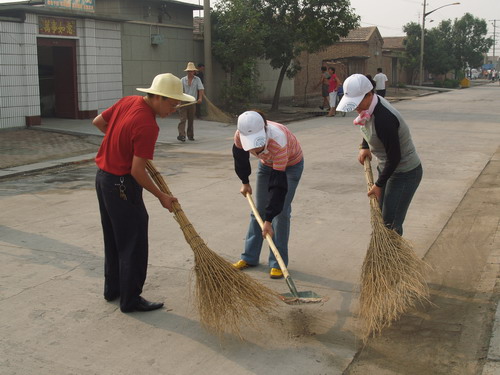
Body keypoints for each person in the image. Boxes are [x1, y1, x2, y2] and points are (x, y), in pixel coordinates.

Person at [93, 73, 195, 313]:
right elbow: (137, 171)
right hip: (122, 186)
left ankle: (113, 290)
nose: (174, 108)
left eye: (177, 104)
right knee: (133, 241)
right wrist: (162, 196)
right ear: (157, 97)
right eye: (171, 103)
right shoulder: (148, 124)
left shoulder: (128, 101)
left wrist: (119, 144)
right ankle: (130, 299)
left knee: (114, 237)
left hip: (103, 179)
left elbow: (98, 121)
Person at [337, 74, 422, 235]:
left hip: (405, 173)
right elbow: (367, 123)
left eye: (357, 102)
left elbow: (395, 157)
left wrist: (379, 184)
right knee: (383, 216)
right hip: (387, 168)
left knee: (390, 222)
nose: (355, 108)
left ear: (369, 95)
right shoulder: (370, 106)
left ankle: (394, 258)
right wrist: (364, 145)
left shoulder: (384, 118)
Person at [232, 110, 304, 279]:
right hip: (266, 165)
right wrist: (245, 182)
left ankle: (278, 262)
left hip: (290, 167)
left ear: (264, 130)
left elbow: (278, 187)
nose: (254, 148)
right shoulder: (239, 135)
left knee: (281, 213)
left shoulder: (278, 141)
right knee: (257, 211)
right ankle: (249, 257)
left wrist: (269, 220)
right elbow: (240, 158)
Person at [178, 62, 204, 142]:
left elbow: (201, 89)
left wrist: (200, 98)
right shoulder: (182, 80)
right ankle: (181, 135)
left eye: (192, 71)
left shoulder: (197, 80)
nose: (190, 72)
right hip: (184, 101)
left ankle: (190, 135)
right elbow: (179, 91)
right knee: (183, 119)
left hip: (192, 102)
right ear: (187, 72)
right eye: (189, 71)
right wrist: (179, 102)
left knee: (191, 119)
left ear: (194, 71)